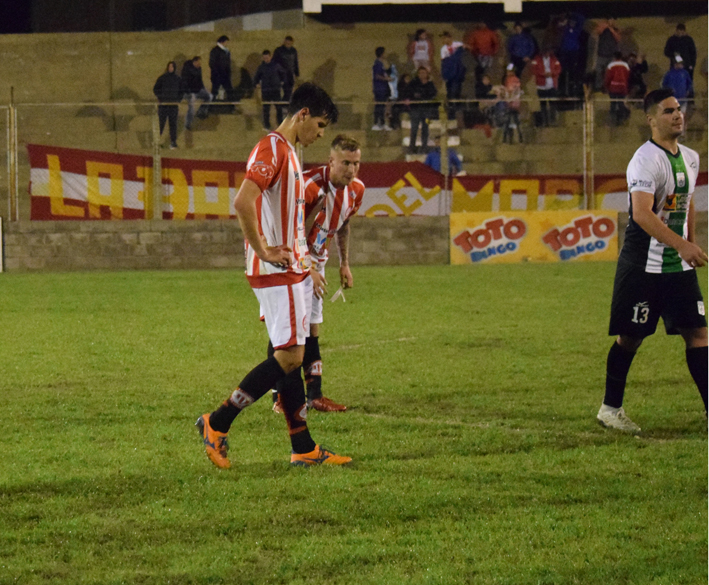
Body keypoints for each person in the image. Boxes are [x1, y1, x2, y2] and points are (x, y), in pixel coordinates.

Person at [195, 82, 351, 469]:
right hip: (276, 270)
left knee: (288, 357)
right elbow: (242, 200)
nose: (319, 134)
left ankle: (303, 448)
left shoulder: (291, 154)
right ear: (301, 115)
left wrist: (309, 265)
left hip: (293, 269)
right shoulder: (273, 149)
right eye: (318, 124)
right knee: (289, 357)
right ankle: (217, 422)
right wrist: (264, 249)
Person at [597, 88, 707, 433]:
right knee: (630, 338)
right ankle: (610, 409)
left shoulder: (690, 157)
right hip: (643, 265)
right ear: (651, 119)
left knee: (699, 334)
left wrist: (690, 241)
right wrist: (682, 245)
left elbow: (687, 199)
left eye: (679, 109)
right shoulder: (644, 160)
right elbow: (642, 214)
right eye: (669, 111)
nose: (678, 115)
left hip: (677, 266)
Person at [271, 135, 365, 413]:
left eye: (356, 163)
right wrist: (307, 267)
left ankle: (314, 395)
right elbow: (291, 229)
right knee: (289, 329)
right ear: (331, 161)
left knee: (312, 325)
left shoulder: (356, 190)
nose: (351, 169)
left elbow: (343, 225)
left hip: (317, 261)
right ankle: (280, 396)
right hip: (293, 260)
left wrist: (344, 263)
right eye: (345, 163)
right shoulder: (310, 187)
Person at [152, 61, 184, 150]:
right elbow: (155, 89)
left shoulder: (178, 79)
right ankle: (157, 142)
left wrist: (178, 100)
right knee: (160, 124)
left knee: (173, 124)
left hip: (173, 106)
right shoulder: (162, 78)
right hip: (163, 105)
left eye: (172, 67)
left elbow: (182, 91)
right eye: (169, 67)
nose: (171, 68)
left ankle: (173, 142)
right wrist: (161, 98)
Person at [253, 49, 286, 130]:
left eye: (267, 58)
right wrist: (256, 83)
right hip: (266, 90)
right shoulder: (261, 67)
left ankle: (280, 123)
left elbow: (283, 73)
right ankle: (267, 125)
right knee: (266, 109)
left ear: (270, 57)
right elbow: (256, 77)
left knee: (278, 107)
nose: (266, 60)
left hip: (275, 90)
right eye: (264, 58)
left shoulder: (276, 65)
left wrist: (282, 81)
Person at [408, 66, 437, 154]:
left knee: (425, 128)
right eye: (420, 73)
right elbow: (410, 92)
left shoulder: (430, 84)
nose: (422, 75)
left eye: (424, 73)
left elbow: (433, 94)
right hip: (416, 109)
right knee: (414, 128)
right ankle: (412, 147)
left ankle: (424, 147)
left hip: (426, 109)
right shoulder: (414, 83)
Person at [530, 47, 561, 127]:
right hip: (541, 86)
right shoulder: (537, 59)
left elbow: (558, 69)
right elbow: (533, 70)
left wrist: (552, 73)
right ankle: (545, 122)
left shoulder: (554, 59)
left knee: (553, 104)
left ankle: (553, 121)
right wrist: (543, 74)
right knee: (543, 105)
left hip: (552, 85)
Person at [557, 12, 586, 98]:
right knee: (563, 71)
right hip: (565, 52)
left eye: (574, 22)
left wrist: (574, 12)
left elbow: (582, 18)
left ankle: (572, 88)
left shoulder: (577, 30)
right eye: (571, 22)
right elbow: (558, 25)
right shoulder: (565, 29)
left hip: (573, 53)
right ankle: (562, 89)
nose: (572, 23)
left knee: (572, 71)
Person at [181, 56, 212, 130]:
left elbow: (200, 80)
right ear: (194, 62)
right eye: (198, 63)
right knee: (191, 108)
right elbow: (184, 81)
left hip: (198, 90)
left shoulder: (199, 69)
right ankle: (187, 124)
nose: (200, 64)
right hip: (190, 92)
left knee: (209, 96)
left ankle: (201, 112)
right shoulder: (187, 68)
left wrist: (204, 89)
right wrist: (188, 92)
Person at [440, 31, 466, 117]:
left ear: (449, 37)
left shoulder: (457, 44)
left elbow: (466, 48)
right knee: (450, 92)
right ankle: (451, 110)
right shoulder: (443, 49)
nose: (443, 40)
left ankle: (457, 109)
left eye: (445, 38)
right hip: (450, 74)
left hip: (458, 73)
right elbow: (444, 62)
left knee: (456, 91)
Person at [594, 17, 621, 91]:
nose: (612, 22)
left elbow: (618, 38)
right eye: (610, 20)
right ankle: (598, 86)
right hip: (601, 54)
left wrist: (611, 29)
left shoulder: (616, 29)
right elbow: (597, 32)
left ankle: (607, 87)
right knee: (599, 71)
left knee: (608, 72)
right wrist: (604, 26)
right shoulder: (603, 28)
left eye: (613, 20)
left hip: (611, 55)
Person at [604, 52, 630, 126]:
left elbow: (608, 77)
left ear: (614, 57)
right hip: (623, 88)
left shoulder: (611, 65)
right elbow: (628, 77)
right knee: (621, 103)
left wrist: (606, 86)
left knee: (613, 104)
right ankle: (621, 121)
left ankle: (612, 121)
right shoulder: (626, 65)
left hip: (613, 88)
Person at [273, 35, 300, 102]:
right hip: (281, 74)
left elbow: (295, 62)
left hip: (290, 74)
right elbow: (274, 62)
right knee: (281, 91)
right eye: (287, 43)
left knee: (289, 91)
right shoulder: (278, 50)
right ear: (284, 42)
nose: (288, 45)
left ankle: (284, 104)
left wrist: (296, 73)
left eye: (290, 44)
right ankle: (282, 105)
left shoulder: (293, 51)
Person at [501, 64, 523, 143]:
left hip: (513, 103)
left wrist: (510, 98)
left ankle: (520, 137)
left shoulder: (515, 80)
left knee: (515, 121)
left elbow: (516, 91)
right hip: (509, 103)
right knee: (508, 121)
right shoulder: (506, 80)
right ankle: (506, 139)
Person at [372, 47, 392, 131]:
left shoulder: (381, 64)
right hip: (379, 88)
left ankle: (382, 124)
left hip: (383, 88)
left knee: (383, 106)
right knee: (379, 106)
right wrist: (386, 79)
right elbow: (377, 75)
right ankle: (376, 123)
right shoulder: (377, 64)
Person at [209, 35, 233, 102]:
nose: (227, 44)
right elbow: (212, 63)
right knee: (215, 92)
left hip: (224, 75)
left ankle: (232, 107)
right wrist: (218, 72)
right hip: (218, 75)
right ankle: (209, 108)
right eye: (226, 42)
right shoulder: (215, 51)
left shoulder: (226, 51)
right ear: (223, 42)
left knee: (229, 91)